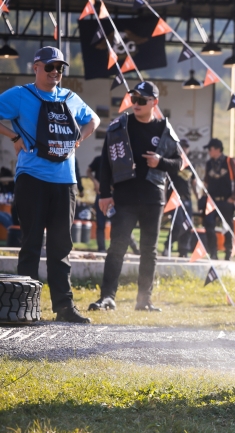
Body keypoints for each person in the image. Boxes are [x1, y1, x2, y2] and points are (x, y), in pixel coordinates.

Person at [0, 46, 100, 323]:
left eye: (60, 68)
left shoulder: (69, 97)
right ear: (36, 68)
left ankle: (64, 307)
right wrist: (13, 138)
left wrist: (80, 139)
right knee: (31, 243)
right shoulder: (22, 95)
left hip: (65, 181)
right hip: (32, 178)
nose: (56, 72)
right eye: (50, 67)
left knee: (61, 245)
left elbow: (94, 119)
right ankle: (24, 307)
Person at [91, 81, 181, 312]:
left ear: (154, 103)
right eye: (134, 99)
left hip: (153, 197)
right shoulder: (120, 125)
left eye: (142, 100)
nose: (137, 104)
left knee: (149, 251)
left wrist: (159, 161)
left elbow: (178, 163)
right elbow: (105, 162)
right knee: (117, 247)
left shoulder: (164, 128)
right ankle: (107, 297)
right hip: (125, 196)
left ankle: (144, 300)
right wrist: (104, 194)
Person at [202, 138, 235, 260]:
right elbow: (206, 181)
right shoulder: (209, 163)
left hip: (226, 200)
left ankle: (228, 253)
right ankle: (213, 252)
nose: (209, 151)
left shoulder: (229, 161)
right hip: (212, 201)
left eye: (210, 149)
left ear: (218, 149)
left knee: (227, 227)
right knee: (209, 225)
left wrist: (234, 197)